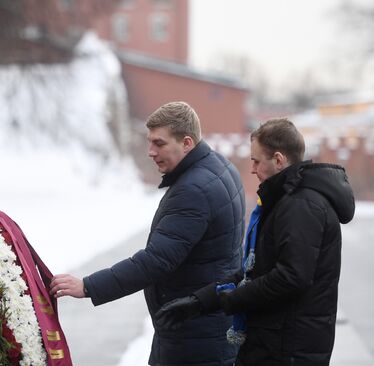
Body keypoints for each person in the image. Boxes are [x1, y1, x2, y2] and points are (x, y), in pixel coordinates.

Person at [50, 101, 245, 365]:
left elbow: (156, 261)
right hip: (205, 326)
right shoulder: (220, 167)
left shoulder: (194, 190)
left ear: (187, 142)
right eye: (149, 142)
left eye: (160, 144)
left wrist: (87, 286)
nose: (150, 152)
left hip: (193, 336)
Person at [155, 118, 355, 366]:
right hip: (274, 343)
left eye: (256, 161)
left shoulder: (302, 206)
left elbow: (291, 277)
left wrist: (229, 300)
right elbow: (256, 267)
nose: (251, 169)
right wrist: (201, 301)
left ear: (279, 160)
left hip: (288, 349)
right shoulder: (285, 201)